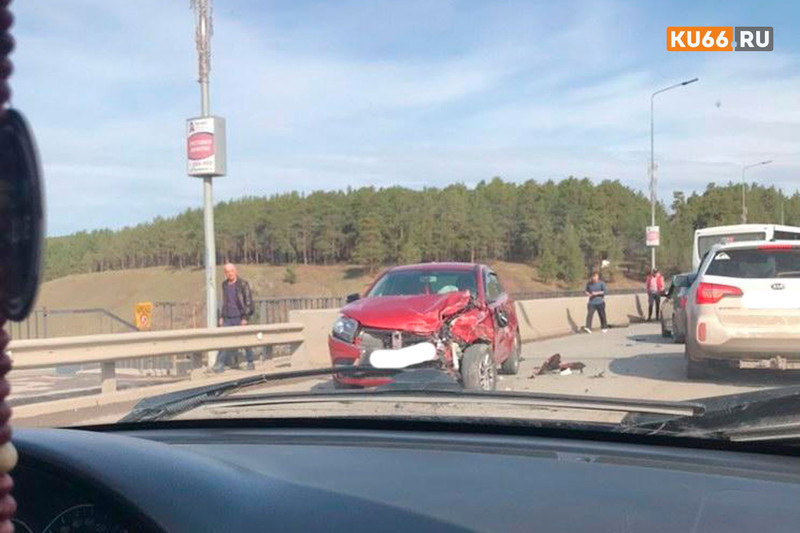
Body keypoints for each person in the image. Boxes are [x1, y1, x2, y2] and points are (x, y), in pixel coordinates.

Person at [214, 263, 256, 372]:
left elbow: (248, 302)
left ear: (235, 271)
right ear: (225, 273)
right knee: (224, 340)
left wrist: (245, 317)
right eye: (227, 272)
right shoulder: (224, 285)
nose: (230, 273)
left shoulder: (243, 284)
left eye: (231, 271)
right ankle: (220, 364)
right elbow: (225, 302)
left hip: (240, 317)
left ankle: (250, 362)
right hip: (228, 317)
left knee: (245, 340)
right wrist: (222, 316)